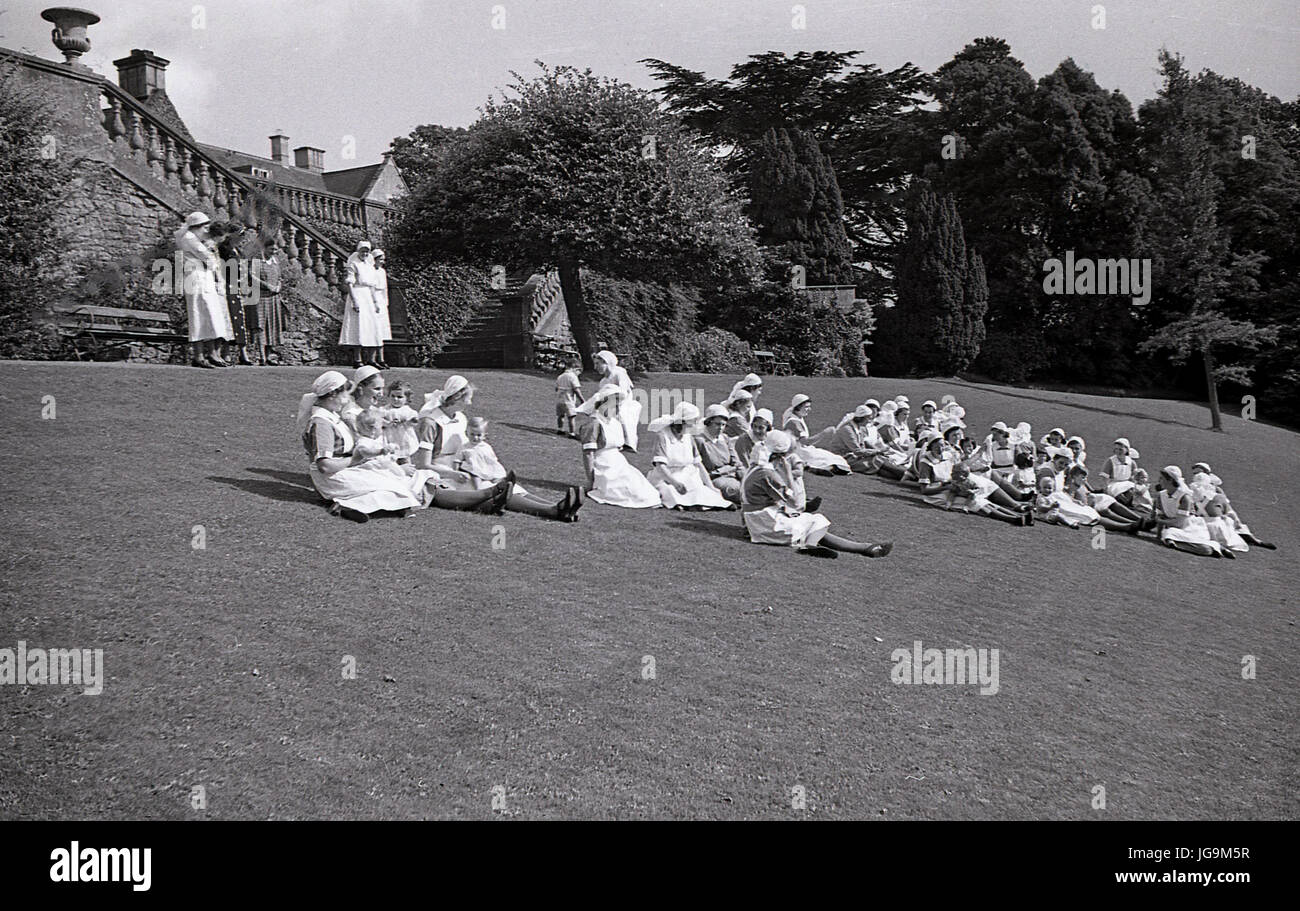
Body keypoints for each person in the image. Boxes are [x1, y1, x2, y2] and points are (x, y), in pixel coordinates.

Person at [298, 371, 505, 520]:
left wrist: (369, 458)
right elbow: (325, 466)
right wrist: (357, 459)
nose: (346, 399)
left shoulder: (330, 416)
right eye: (344, 394)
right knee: (400, 489)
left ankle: (488, 500)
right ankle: (344, 505)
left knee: (408, 482)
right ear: (333, 394)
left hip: (349, 469)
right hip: (334, 477)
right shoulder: (321, 422)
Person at [740, 431, 892, 557]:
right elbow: (795, 502)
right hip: (765, 523)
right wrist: (787, 473)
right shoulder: (767, 474)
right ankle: (811, 546)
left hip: (756, 519)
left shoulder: (755, 468)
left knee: (810, 524)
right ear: (779, 456)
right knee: (817, 520)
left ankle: (866, 548)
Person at [456, 417, 584, 521]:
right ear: (466, 433)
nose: (475, 438)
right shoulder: (465, 448)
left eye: (478, 435)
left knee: (518, 490)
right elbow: (458, 463)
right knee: (506, 493)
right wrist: (456, 473)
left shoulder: (484, 446)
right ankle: (553, 510)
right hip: (475, 479)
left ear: (484, 435)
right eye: (472, 434)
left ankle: (562, 506)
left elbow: (492, 463)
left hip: (491, 476)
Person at [577, 386, 660, 508]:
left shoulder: (615, 423)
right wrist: (591, 479)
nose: (617, 408)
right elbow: (588, 454)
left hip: (619, 462)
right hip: (603, 465)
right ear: (603, 404)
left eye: (618, 405)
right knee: (627, 491)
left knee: (645, 490)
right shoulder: (594, 424)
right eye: (614, 405)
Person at [645, 402, 733, 510]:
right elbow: (660, 466)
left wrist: (711, 486)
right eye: (693, 421)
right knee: (669, 490)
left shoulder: (689, 437)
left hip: (687, 475)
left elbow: (699, 464)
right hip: (666, 477)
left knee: (700, 490)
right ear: (683, 422)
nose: (695, 424)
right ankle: (682, 503)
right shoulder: (663, 436)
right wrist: (675, 483)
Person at [174, 211, 234, 368]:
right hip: (196, 279)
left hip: (204, 279)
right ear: (197, 226)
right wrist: (211, 252)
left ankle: (211, 354)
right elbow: (208, 258)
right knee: (198, 315)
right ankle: (199, 356)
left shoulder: (195, 239)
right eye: (204, 226)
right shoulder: (190, 239)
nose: (207, 229)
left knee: (210, 315)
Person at [1189, 462, 1275, 549]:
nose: (1197, 475)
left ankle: (1253, 539)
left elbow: (1226, 507)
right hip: (1207, 518)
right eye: (1195, 473)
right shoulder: (1195, 488)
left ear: (1207, 473)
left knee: (1231, 520)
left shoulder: (1215, 489)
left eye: (1200, 473)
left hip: (1212, 516)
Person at [1154, 466, 1229, 557]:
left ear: (1170, 480)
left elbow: (1179, 523)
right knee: (1168, 533)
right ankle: (1213, 547)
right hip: (1174, 529)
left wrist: (1160, 521)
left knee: (1170, 533)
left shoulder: (1185, 498)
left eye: (1161, 478)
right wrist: (1158, 535)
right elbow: (1160, 515)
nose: (1159, 480)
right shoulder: (1161, 495)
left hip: (1192, 528)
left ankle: (1212, 546)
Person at [782, 394, 851, 475]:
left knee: (832, 457)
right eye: (806, 407)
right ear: (798, 407)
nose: (809, 409)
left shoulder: (797, 418)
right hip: (799, 451)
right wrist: (824, 433)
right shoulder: (794, 422)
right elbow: (805, 442)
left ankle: (828, 468)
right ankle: (816, 468)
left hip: (802, 449)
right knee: (825, 458)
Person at [340, 240, 380, 369]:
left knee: (372, 327)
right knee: (358, 327)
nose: (365, 253)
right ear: (358, 251)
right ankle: (357, 359)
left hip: (368, 296)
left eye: (367, 251)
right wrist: (354, 301)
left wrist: (375, 302)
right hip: (358, 294)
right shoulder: (353, 264)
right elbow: (350, 284)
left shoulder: (370, 265)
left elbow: (372, 286)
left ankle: (371, 359)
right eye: (363, 251)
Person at [695, 404, 744, 505]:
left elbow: (736, 462)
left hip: (733, 475)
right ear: (708, 422)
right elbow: (700, 467)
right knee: (737, 492)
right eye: (717, 424)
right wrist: (726, 470)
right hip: (714, 479)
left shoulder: (725, 438)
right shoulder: (699, 440)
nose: (720, 428)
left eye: (723, 425)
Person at [593, 350, 641, 452]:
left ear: (606, 362)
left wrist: (616, 404)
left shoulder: (618, 374)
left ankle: (628, 442)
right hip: (610, 404)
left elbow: (624, 391)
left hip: (624, 403)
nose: (595, 367)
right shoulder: (603, 381)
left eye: (598, 364)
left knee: (621, 416)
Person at [253, 232, 285, 364]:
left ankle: (269, 355)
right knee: (261, 325)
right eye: (271, 249)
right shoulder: (257, 261)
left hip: (274, 298)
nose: (273, 251)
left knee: (272, 325)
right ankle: (261, 356)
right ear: (264, 248)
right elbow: (252, 276)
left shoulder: (275, 261)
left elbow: (280, 277)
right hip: (262, 297)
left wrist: (278, 286)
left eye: (276, 249)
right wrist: (267, 286)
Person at [826, 404, 886, 473]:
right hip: (842, 458)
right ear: (862, 418)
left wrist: (876, 452)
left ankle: (899, 477)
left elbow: (861, 447)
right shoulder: (847, 430)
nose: (870, 421)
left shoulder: (859, 428)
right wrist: (877, 451)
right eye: (868, 418)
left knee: (879, 461)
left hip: (852, 457)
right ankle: (900, 476)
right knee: (876, 461)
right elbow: (857, 451)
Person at [379, 380, 420, 464]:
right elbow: (378, 421)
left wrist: (407, 422)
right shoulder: (385, 410)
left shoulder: (407, 411)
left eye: (399, 397)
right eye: (392, 396)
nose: (395, 399)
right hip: (389, 438)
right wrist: (387, 423)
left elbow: (414, 421)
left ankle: (407, 471)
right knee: (390, 460)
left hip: (403, 438)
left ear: (407, 399)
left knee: (405, 458)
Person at [371, 249, 391, 369]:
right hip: (373, 300)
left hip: (381, 301)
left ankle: (381, 359)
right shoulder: (370, 271)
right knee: (374, 330)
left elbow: (385, 288)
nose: (382, 262)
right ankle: (372, 359)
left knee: (381, 332)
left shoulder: (382, 272)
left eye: (383, 259)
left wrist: (385, 302)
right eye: (380, 259)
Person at [555, 359, 583, 437]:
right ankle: (572, 432)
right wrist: (582, 400)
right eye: (579, 372)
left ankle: (560, 429)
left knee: (560, 416)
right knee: (571, 417)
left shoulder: (560, 376)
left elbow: (556, 388)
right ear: (575, 369)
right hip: (568, 400)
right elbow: (576, 389)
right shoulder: (572, 376)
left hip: (560, 400)